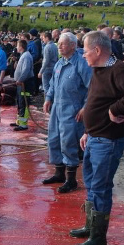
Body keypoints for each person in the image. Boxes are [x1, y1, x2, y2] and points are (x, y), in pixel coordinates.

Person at [71, 31, 124, 245]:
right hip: (94, 137)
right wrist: (88, 130)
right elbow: (96, 99)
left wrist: (116, 110)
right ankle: (90, 226)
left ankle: (99, 238)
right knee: (90, 184)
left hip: (107, 141)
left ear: (97, 51)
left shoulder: (118, 69)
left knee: (100, 187)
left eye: (85, 50)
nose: (83, 54)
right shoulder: (99, 69)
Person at [42, 32, 92, 193]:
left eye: (63, 44)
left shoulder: (81, 63)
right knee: (54, 139)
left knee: (68, 142)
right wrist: (48, 98)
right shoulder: (59, 63)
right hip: (57, 107)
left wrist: (85, 108)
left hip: (72, 109)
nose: (59, 46)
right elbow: (52, 83)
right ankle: (59, 173)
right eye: (59, 43)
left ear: (72, 45)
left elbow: (92, 88)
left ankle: (71, 179)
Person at [12, 39, 34, 132]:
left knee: (24, 103)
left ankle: (23, 125)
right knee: (19, 102)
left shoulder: (26, 56)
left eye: (17, 46)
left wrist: (20, 80)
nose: (16, 47)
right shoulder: (23, 55)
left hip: (25, 83)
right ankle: (19, 121)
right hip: (21, 83)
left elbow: (26, 70)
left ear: (21, 47)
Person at [39, 31, 57, 96]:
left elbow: (46, 60)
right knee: (52, 86)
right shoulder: (55, 46)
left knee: (46, 88)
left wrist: (41, 71)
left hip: (47, 69)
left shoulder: (47, 47)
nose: (43, 40)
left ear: (47, 38)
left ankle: (47, 103)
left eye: (43, 38)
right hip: (54, 68)